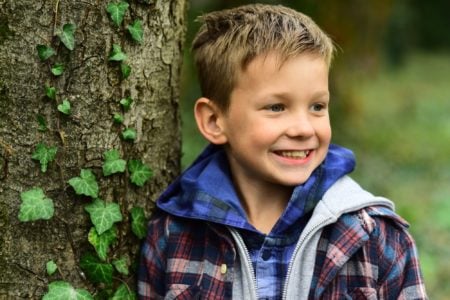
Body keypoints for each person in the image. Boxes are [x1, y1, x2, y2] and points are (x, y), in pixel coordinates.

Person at [138, 4, 427, 299]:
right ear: (214, 121)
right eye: (276, 107)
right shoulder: (173, 236)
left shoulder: (374, 236)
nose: (303, 128)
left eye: (317, 106)